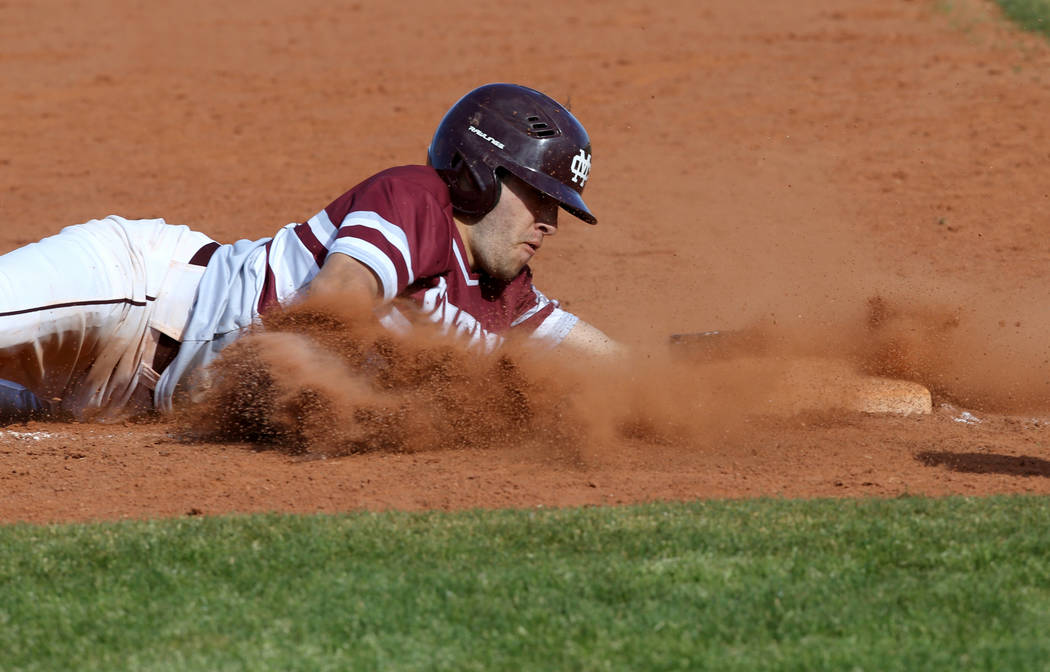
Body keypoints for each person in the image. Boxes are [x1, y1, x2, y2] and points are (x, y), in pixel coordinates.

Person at [0, 83, 619, 424]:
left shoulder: (503, 296)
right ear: (481, 172)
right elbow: (333, 307)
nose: (550, 221)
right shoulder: (414, 201)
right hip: (133, 298)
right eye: (539, 195)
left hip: (112, 399)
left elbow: (616, 368)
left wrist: (698, 381)